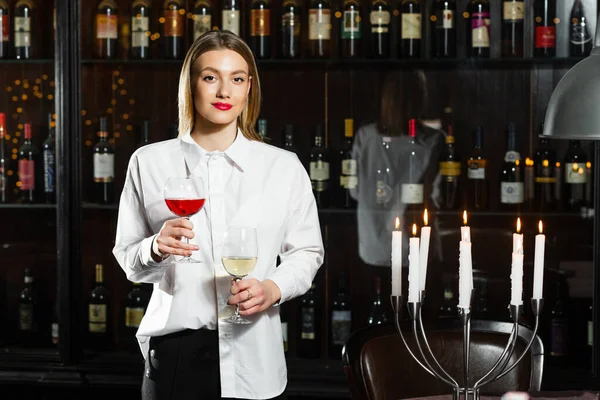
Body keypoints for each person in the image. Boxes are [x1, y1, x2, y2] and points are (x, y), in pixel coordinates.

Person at [112, 30, 324, 400]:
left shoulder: (283, 167)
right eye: (211, 77)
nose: (225, 91)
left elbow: (307, 252)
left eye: (237, 79)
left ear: (249, 87)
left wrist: (272, 288)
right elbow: (130, 262)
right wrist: (155, 249)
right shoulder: (149, 162)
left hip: (255, 354)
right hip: (175, 358)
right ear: (190, 84)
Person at [349, 69, 445, 268]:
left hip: (372, 248)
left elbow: (355, 191)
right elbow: (438, 196)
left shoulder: (365, 137)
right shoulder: (433, 140)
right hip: (416, 248)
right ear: (418, 99)